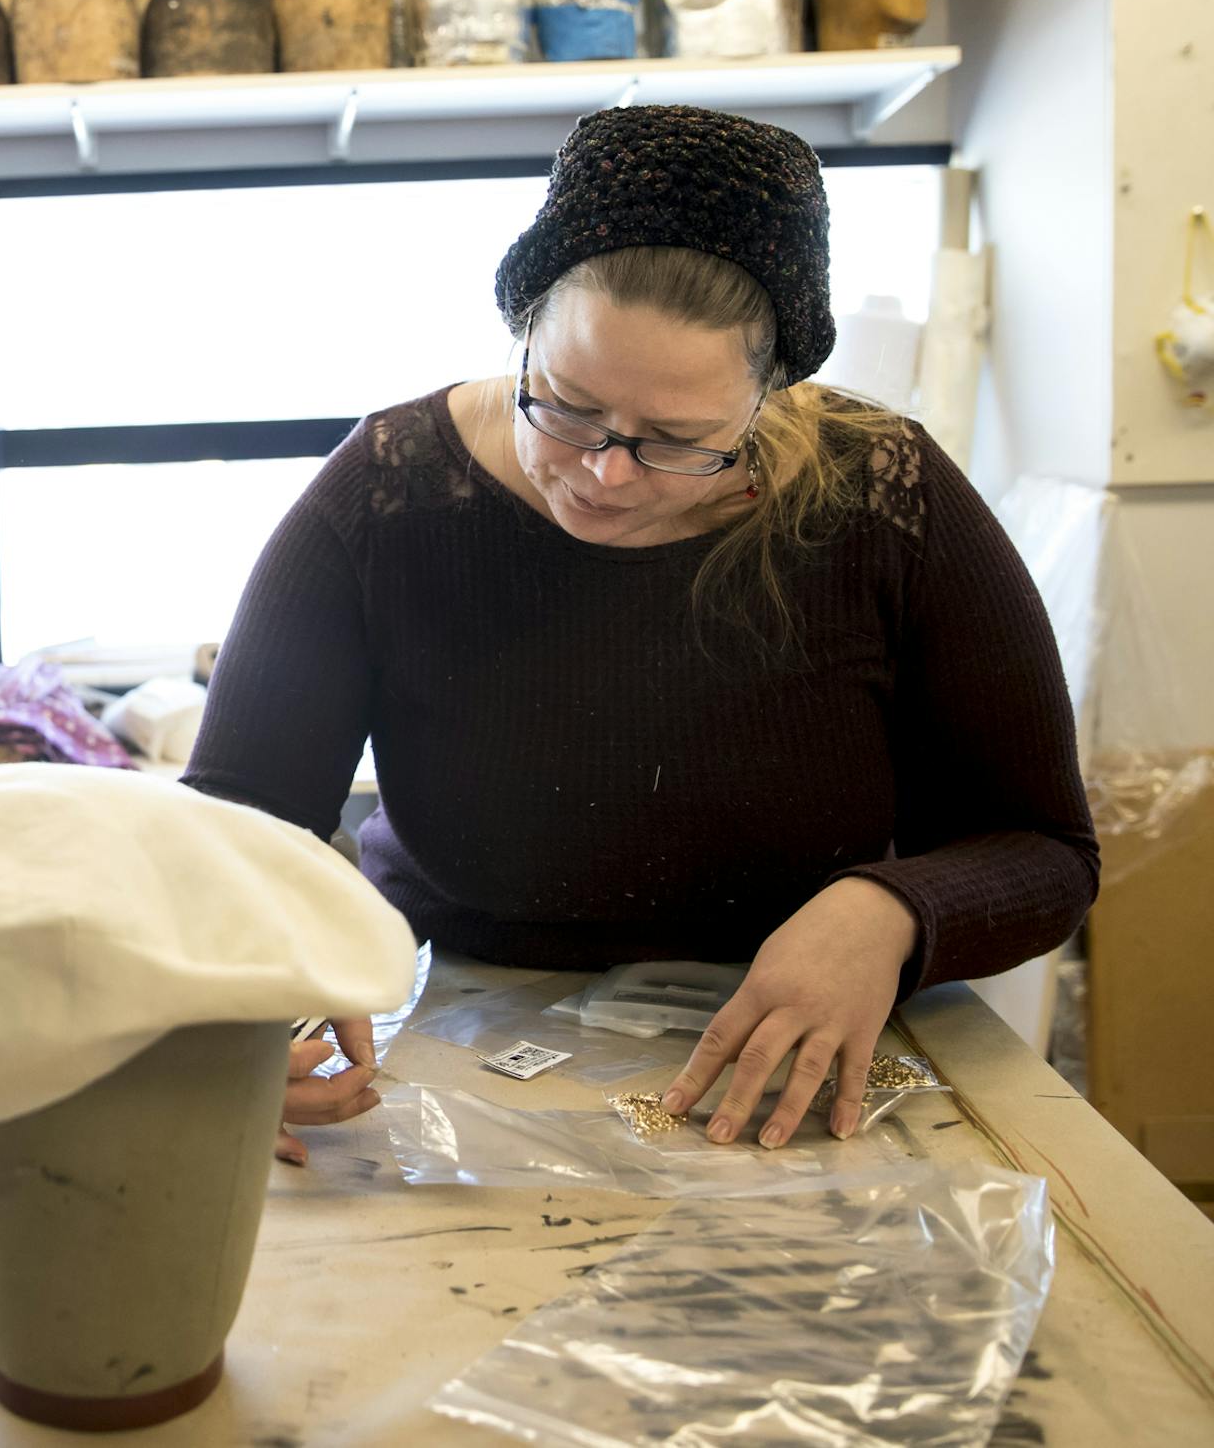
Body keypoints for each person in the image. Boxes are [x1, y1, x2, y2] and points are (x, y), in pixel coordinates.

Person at [183, 105, 1098, 1161]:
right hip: (442, 1037)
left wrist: (889, 911)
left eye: (677, 440)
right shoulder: (387, 494)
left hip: (797, 1051)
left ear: (768, 397)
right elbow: (232, 828)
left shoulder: (886, 499)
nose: (604, 473)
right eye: (565, 405)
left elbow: (1047, 851)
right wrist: (235, 1012)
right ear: (523, 330)